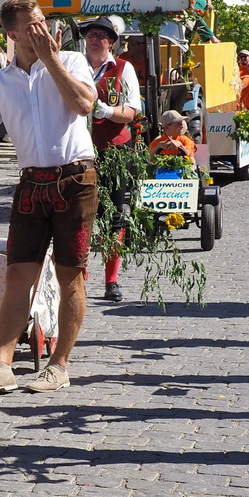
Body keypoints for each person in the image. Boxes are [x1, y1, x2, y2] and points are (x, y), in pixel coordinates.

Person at [0, 0, 100, 397]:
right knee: (18, 273)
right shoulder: (0, 81)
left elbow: (82, 104)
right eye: (32, 25)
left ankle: (59, 364)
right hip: (31, 182)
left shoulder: (71, 62)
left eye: (43, 20)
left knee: (69, 273)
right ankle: (1, 364)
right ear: (11, 34)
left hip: (76, 178)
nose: (42, 29)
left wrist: (50, 58)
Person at [83, 16, 143, 304]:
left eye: (101, 35)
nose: (94, 39)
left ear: (111, 42)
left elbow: (132, 111)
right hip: (79, 152)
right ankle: (77, 273)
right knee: (78, 215)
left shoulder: (123, 68)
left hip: (115, 153)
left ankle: (111, 280)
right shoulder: (74, 65)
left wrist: (106, 112)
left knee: (113, 217)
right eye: (91, 34)